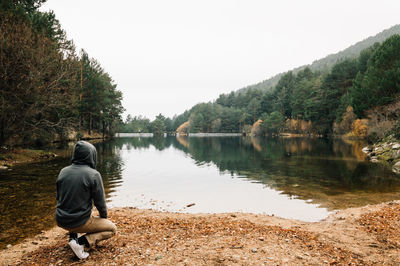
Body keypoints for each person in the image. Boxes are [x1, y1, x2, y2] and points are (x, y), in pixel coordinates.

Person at [55, 140, 117, 259]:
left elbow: (59, 197)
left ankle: (73, 237)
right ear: (91, 156)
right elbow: (100, 203)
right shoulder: (93, 174)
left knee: (74, 204)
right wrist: (103, 218)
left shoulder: (63, 171)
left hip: (61, 219)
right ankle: (80, 243)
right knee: (112, 229)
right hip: (78, 221)